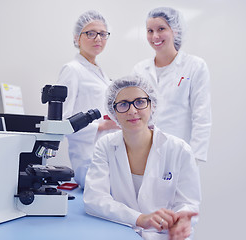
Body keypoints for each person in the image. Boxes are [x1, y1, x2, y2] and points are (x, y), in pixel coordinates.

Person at [83, 75, 201, 240]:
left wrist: (181, 220)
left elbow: (188, 203)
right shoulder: (106, 146)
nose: (132, 111)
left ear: (151, 105)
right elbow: (94, 198)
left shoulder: (179, 150)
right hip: (123, 232)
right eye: (123, 104)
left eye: (139, 101)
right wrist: (140, 219)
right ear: (113, 111)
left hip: (167, 236)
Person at [132, 7, 211, 164]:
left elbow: (201, 115)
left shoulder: (194, 66)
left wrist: (194, 158)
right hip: (144, 152)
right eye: (150, 30)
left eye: (161, 29)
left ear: (175, 30)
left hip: (181, 153)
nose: (155, 36)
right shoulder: (140, 70)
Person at [57, 10, 119, 188]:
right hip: (87, 157)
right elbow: (62, 121)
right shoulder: (72, 69)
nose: (98, 38)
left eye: (102, 34)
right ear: (77, 38)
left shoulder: (98, 71)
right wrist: (100, 126)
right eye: (90, 33)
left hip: (106, 151)